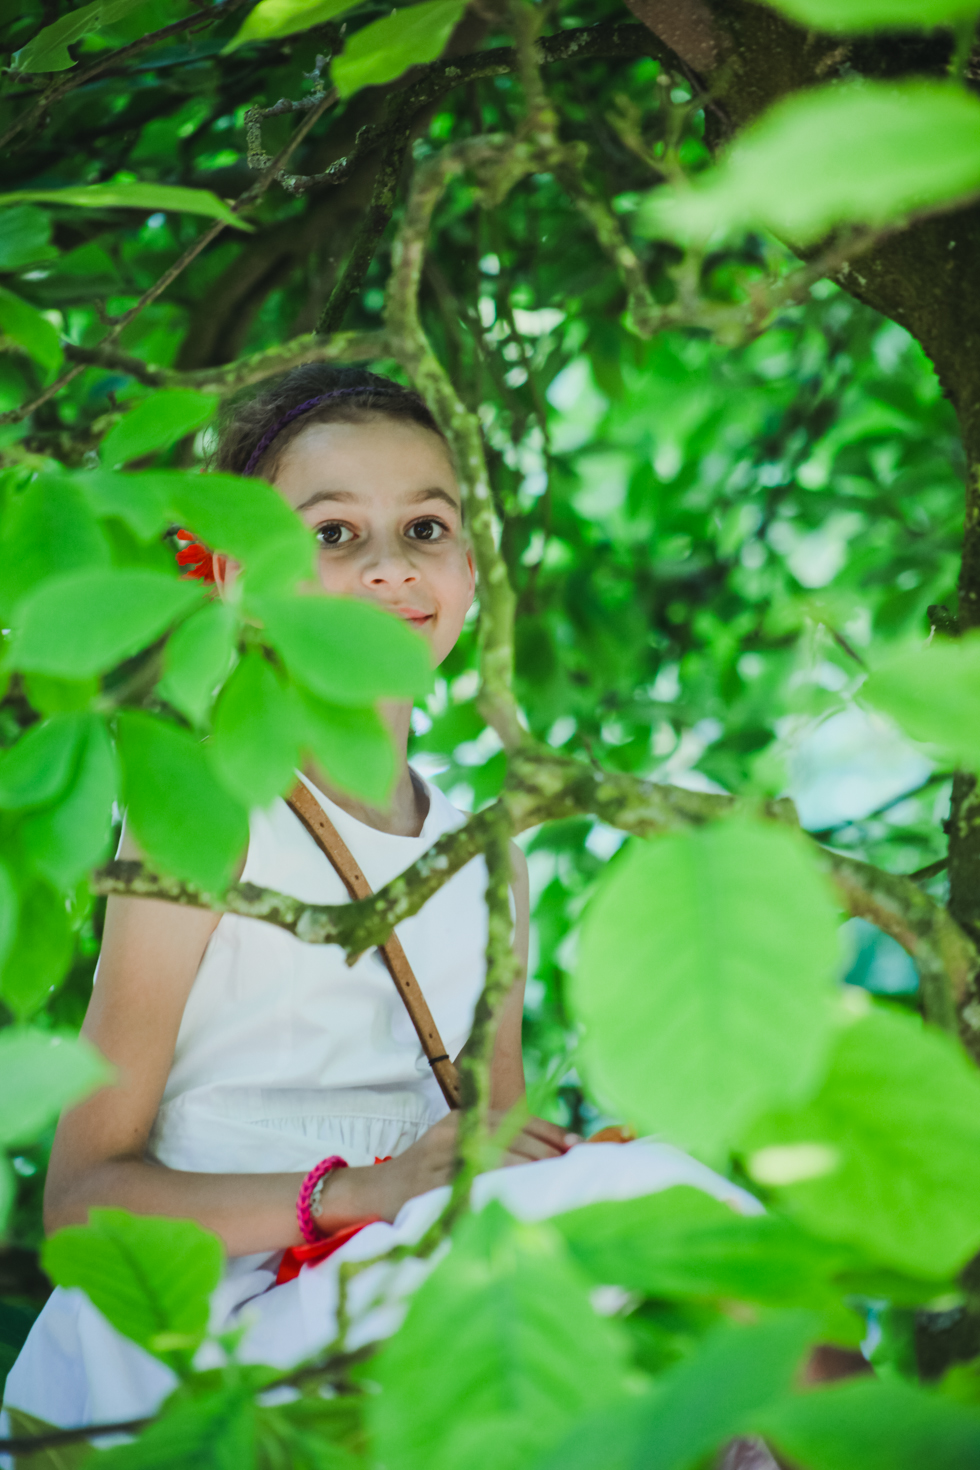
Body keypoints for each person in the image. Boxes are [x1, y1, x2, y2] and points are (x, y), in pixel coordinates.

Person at [2, 366, 758, 1433]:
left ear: (469, 562)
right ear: (231, 576)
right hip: (192, 1341)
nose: (391, 569)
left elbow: (480, 1145)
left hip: (390, 1301)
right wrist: (352, 1193)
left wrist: (532, 1151)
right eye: (332, 535)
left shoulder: (488, 854)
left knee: (699, 1251)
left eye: (426, 527)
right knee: (673, 1200)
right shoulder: (205, 808)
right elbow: (81, 1203)